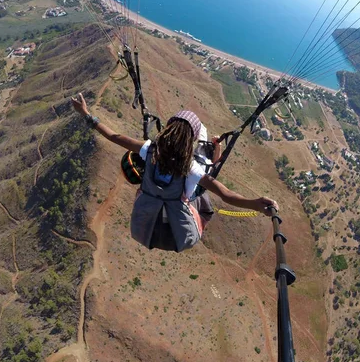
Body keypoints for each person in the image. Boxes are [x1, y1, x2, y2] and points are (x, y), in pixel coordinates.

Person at [71, 93, 278, 252]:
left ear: (169, 130)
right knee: (201, 196)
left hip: (143, 230)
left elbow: (115, 137)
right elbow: (226, 194)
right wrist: (256, 205)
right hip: (179, 236)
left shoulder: (149, 150)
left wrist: (86, 114)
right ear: (192, 141)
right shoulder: (192, 169)